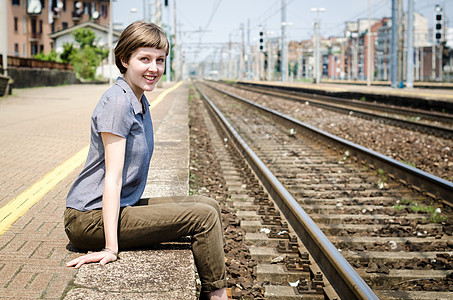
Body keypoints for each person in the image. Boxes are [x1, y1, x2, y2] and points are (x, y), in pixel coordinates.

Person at [64, 21, 227, 300]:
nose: (154, 68)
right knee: (203, 217)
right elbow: (113, 178)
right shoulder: (118, 102)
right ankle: (218, 294)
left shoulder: (138, 98)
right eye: (145, 59)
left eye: (160, 60)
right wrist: (110, 248)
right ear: (125, 59)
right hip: (88, 219)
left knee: (208, 204)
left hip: (115, 208)